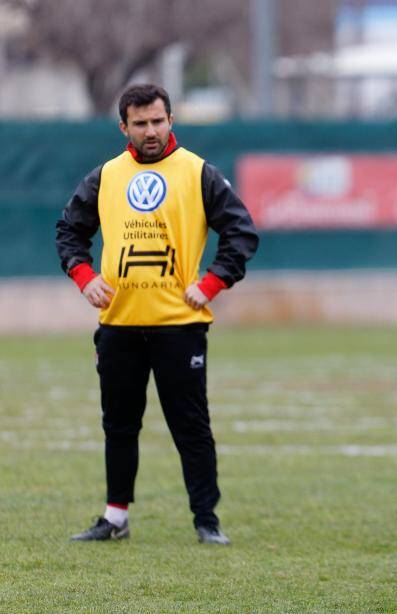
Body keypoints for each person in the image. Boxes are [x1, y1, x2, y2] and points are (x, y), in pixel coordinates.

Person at [56, 84, 259, 545]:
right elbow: (69, 231)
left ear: (171, 120)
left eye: (158, 120)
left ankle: (207, 521)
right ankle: (115, 518)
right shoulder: (105, 176)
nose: (151, 130)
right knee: (119, 425)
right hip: (118, 326)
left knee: (191, 426)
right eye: (141, 123)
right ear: (123, 126)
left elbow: (241, 233)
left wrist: (211, 283)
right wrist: (85, 276)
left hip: (180, 327)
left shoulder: (198, 173)